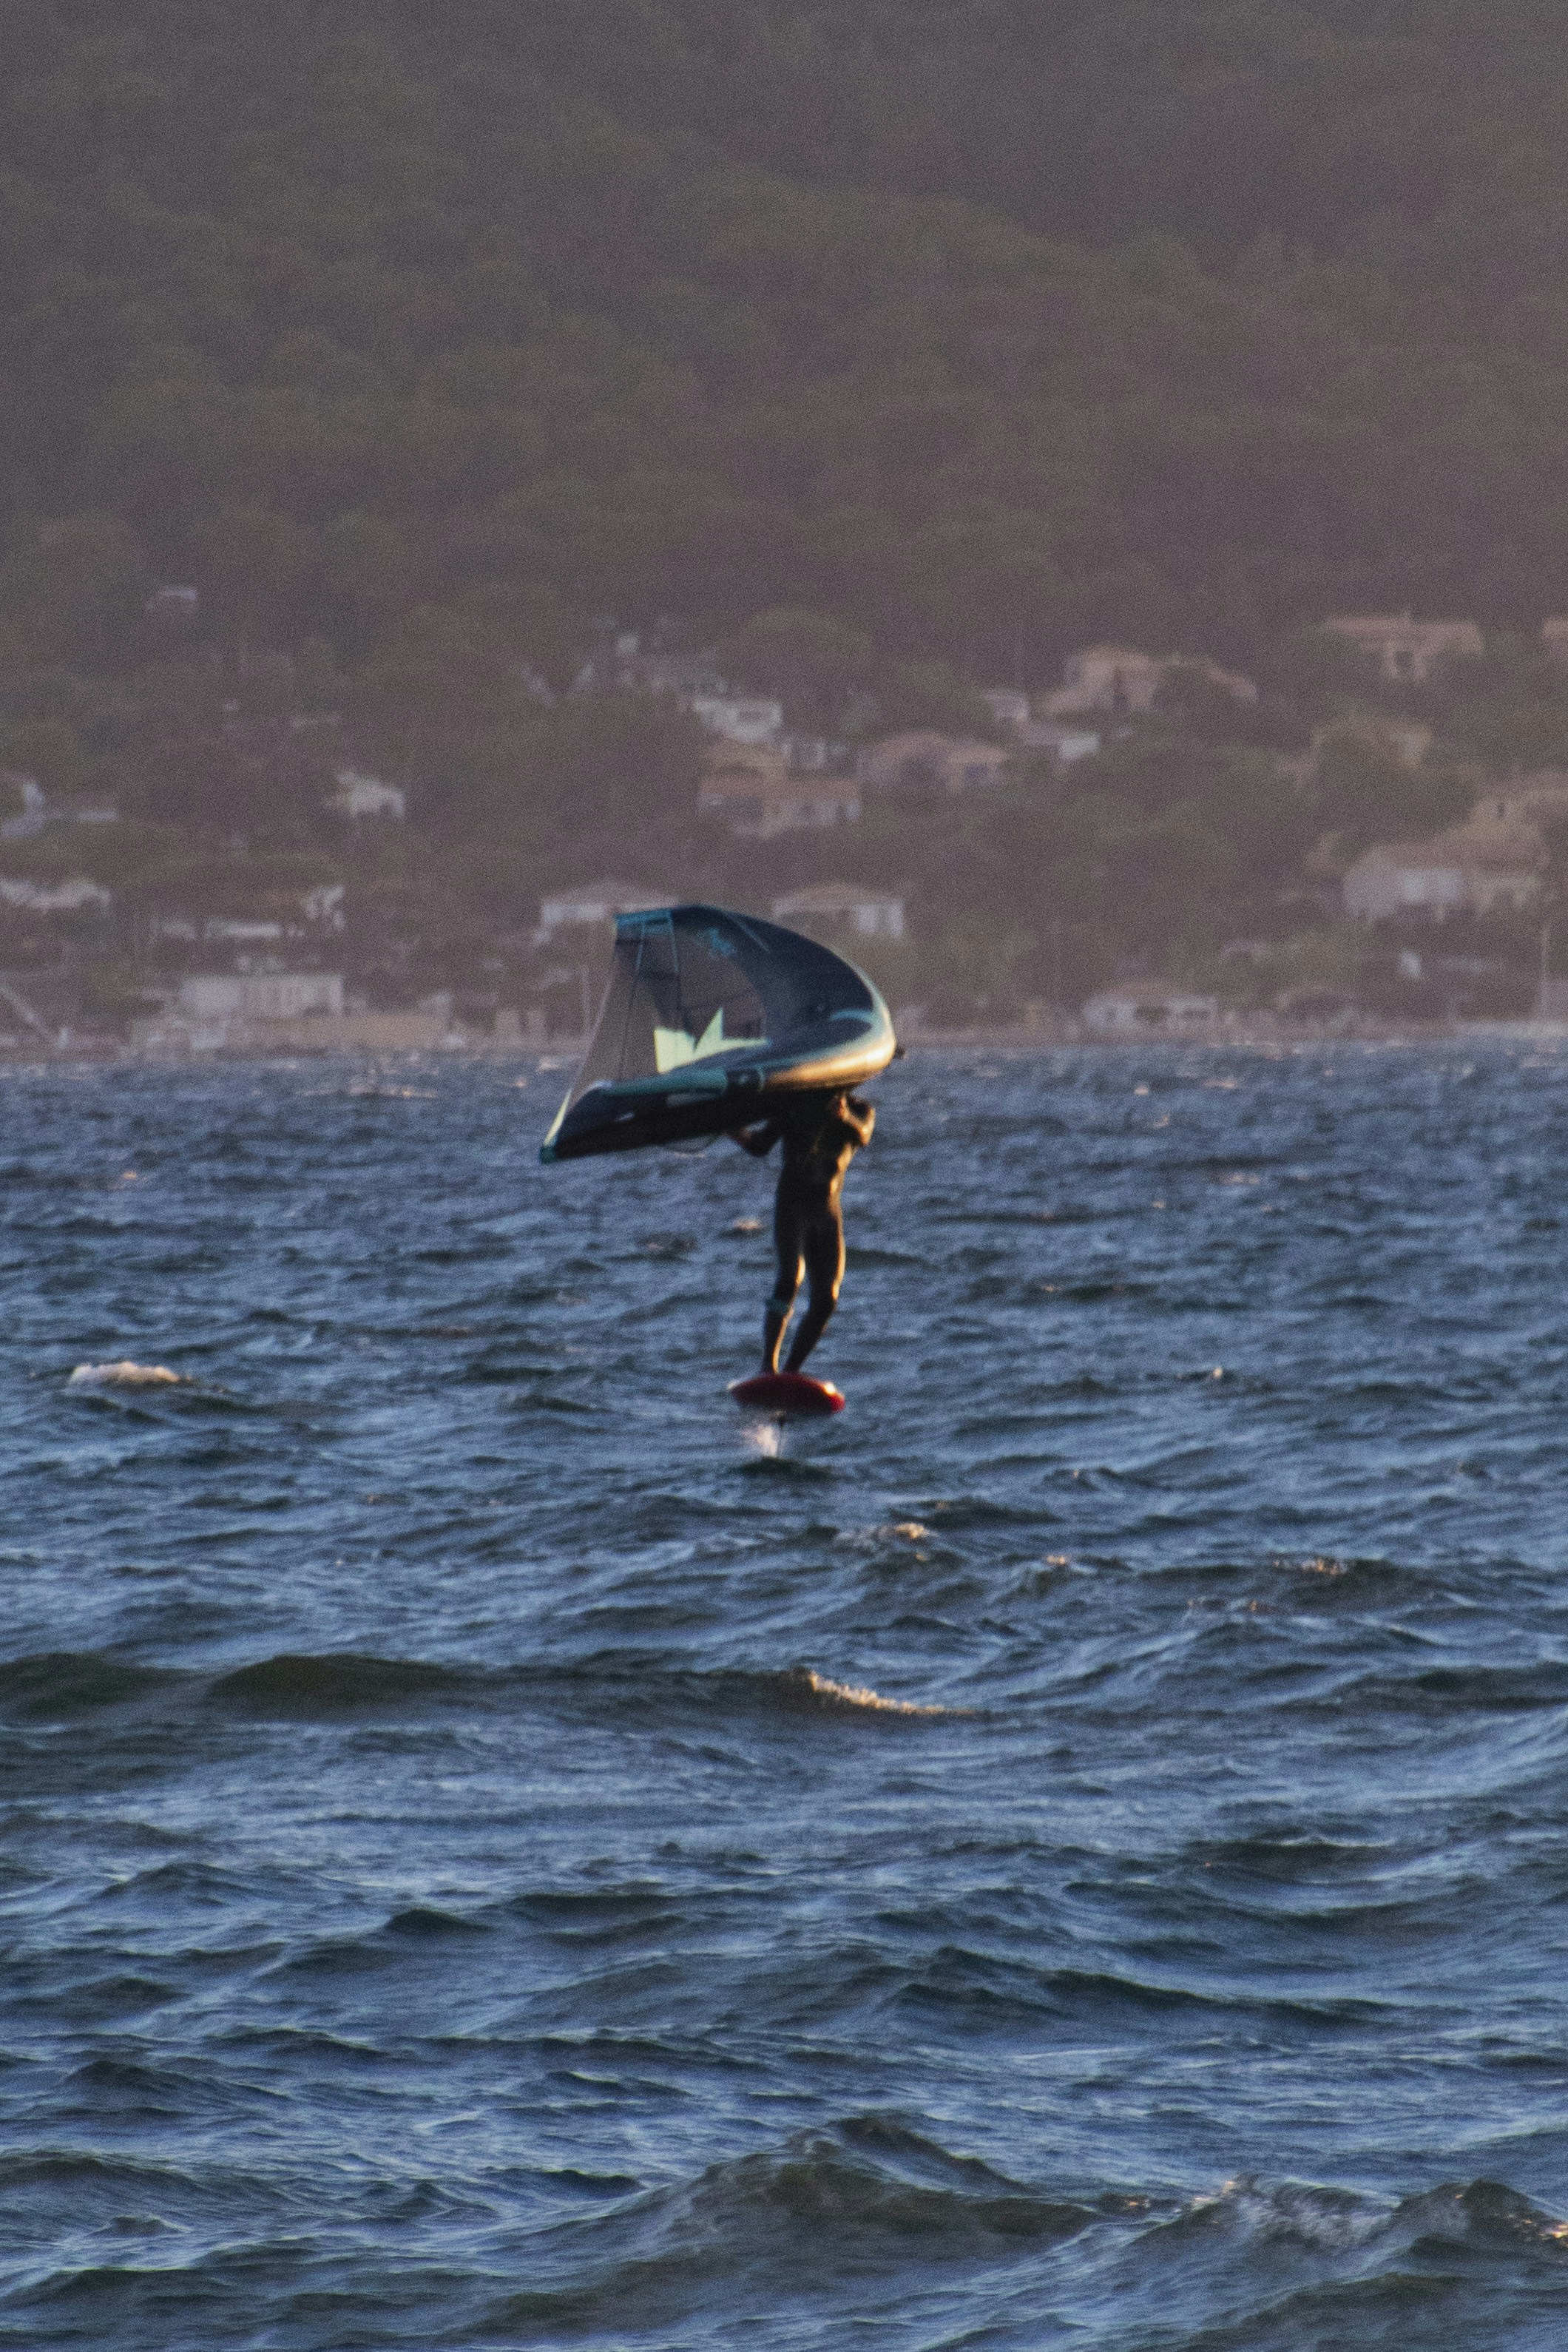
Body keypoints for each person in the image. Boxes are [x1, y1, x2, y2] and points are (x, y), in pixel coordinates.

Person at [734, 1089, 875, 1374]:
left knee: (827, 1299)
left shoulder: (860, 1111)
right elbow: (760, 1145)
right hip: (793, 1204)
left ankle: (791, 1372)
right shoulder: (794, 1106)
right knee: (790, 1277)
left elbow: (863, 1135)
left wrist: (843, 1115)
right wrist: (733, 1131)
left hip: (827, 1211)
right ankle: (768, 1367)